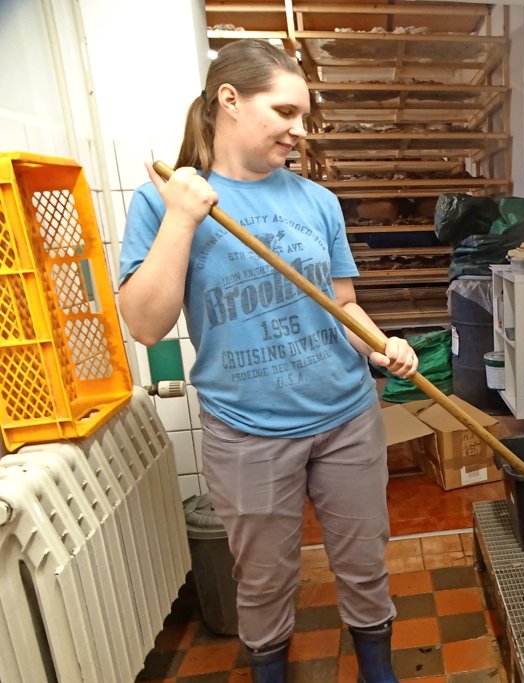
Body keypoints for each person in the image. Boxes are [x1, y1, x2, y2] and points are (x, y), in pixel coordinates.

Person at [118, 39, 417, 683]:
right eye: (285, 112)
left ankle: (378, 673)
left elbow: (343, 303)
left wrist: (381, 344)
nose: (298, 131)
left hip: (346, 417)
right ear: (229, 100)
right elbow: (146, 325)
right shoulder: (165, 200)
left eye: (302, 116)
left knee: (365, 560)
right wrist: (181, 221)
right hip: (246, 430)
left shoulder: (316, 202)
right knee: (263, 579)